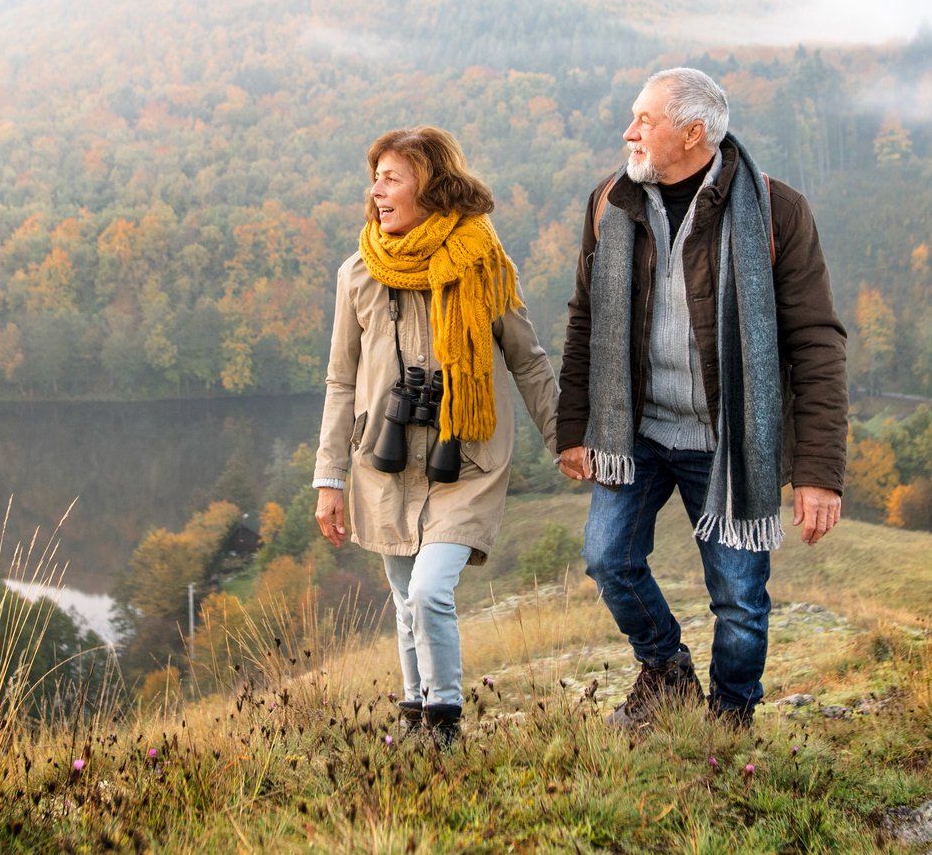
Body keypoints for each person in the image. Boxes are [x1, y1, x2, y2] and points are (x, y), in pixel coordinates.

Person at [556, 67, 848, 730]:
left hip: (728, 441)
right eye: (632, 116)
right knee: (608, 559)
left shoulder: (776, 212)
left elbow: (816, 344)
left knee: (739, 598)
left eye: (644, 121)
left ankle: (729, 721)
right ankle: (665, 671)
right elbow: (585, 319)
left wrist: (818, 474)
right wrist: (573, 426)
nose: (628, 132)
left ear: (693, 135)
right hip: (636, 430)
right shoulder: (611, 201)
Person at [314, 126, 560, 747]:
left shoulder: (482, 267)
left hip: (466, 457)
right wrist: (329, 478)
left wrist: (565, 439)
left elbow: (527, 360)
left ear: (431, 186)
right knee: (403, 598)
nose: (376, 192)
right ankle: (414, 715)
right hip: (384, 460)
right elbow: (340, 382)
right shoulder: (358, 274)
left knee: (428, 591)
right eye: (375, 178)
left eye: (392, 178)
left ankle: (444, 723)